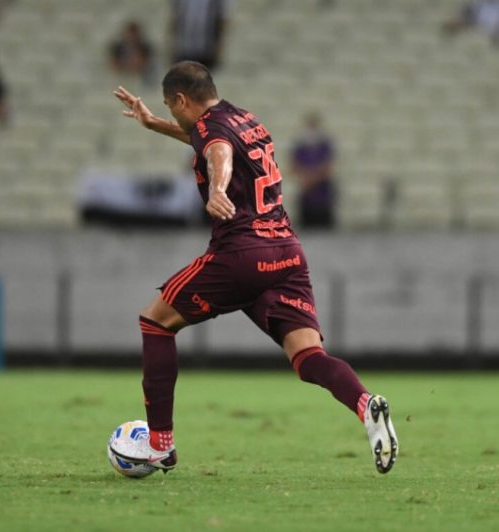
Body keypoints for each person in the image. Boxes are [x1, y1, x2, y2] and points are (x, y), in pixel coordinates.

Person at [110, 62, 398, 475]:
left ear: (181, 99)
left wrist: (218, 188)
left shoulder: (212, 130)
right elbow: (208, 141)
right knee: (308, 356)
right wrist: (154, 124)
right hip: (287, 252)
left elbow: (218, 152)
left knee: (155, 322)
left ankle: (160, 446)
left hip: (243, 253)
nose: (172, 115)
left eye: (169, 109)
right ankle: (365, 404)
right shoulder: (245, 119)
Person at [290, 112, 336, 229]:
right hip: (306, 197)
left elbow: (329, 166)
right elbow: (294, 166)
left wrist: (313, 179)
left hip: (323, 197)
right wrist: (306, 177)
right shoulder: (300, 147)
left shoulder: (325, 145)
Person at [170, 0, 231, 70]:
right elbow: (175, 18)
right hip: (184, 48)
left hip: (206, 50)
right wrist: (172, 45)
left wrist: (219, 48)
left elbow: (222, 21)